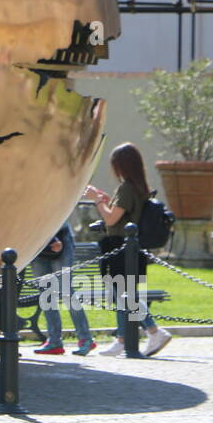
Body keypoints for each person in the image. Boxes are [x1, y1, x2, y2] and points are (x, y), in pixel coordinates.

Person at [82, 142, 173, 357]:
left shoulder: (126, 188)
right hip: (132, 248)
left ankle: (153, 331)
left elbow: (112, 217)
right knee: (123, 295)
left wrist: (97, 201)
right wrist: (105, 200)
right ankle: (123, 339)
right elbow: (119, 214)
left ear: (121, 166)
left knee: (123, 295)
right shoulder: (139, 188)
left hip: (120, 248)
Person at [0, 221, 96, 356]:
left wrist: (53, 237)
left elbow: (50, 207)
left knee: (66, 291)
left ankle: (85, 338)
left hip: (57, 236)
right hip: (33, 241)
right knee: (43, 293)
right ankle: (54, 341)